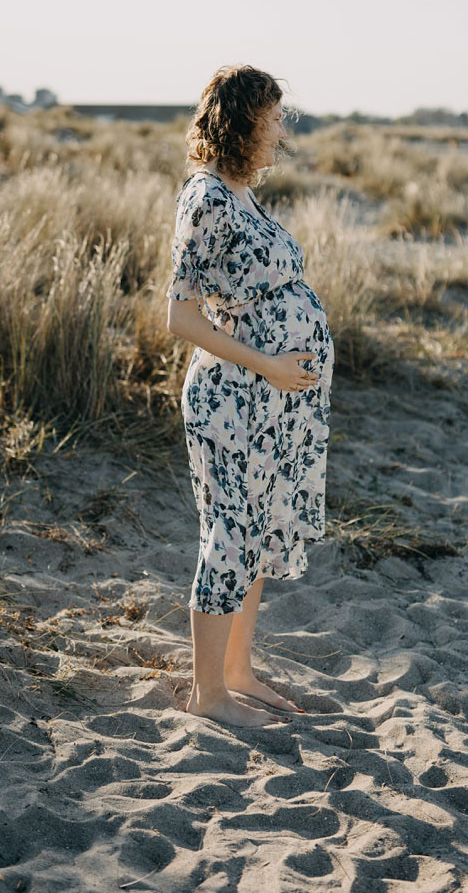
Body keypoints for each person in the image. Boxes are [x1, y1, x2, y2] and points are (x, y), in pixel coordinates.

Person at [164, 64, 334, 727]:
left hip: (267, 401)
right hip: (230, 398)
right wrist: (268, 364)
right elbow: (180, 317)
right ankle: (208, 695)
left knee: (256, 535)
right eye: (274, 117)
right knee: (229, 537)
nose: (282, 128)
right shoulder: (205, 196)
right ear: (244, 121)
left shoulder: (241, 192)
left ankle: (238, 671)